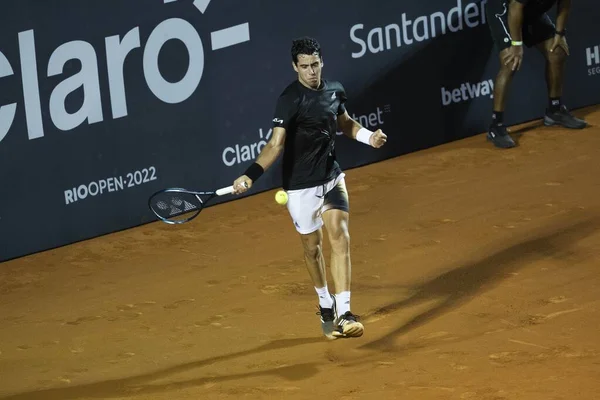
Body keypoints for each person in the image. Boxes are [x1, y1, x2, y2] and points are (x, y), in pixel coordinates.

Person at [231, 37, 387, 339]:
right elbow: (275, 144)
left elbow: (345, 123)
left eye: (315, 64)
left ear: (321, 61)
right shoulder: (289, 99)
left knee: (340, 236)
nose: (311, 71)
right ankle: (324, 302)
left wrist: (369, 137)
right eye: (304, 67)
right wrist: (250, 174)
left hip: (331, 177)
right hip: (300, 187)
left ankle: (344, 312)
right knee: (312, 249)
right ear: (295, 67)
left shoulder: (334, 90)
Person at [486, 0, 587, 149]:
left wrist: (559, 33)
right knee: (510, 62)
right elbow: (515, 6)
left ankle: (555, 110)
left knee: (557, 51)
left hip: (530, 12)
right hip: (505, 10)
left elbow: (565, 3)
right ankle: (496, 125)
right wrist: (516, 45)